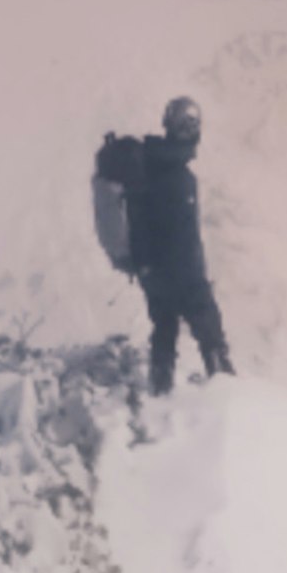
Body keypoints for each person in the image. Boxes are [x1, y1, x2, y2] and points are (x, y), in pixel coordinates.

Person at [124, 94, 232, 395]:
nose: (191, 130)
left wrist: (146, 268)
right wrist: (192, 274)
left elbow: (140, 220)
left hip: (155, 271)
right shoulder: (171, 172)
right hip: (180, 271)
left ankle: (160, 398)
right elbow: (172, 230)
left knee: (164, 331)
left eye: (193, 123)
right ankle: (231, 401)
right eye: (187, 123)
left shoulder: (154, 165)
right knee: (210, 334)